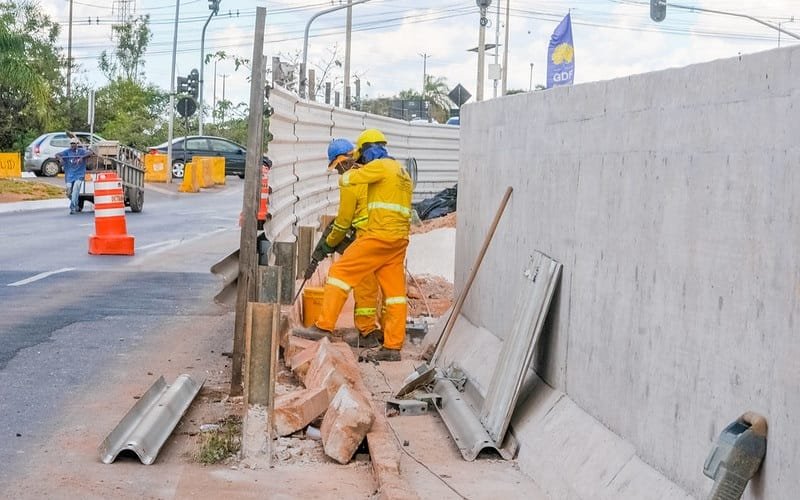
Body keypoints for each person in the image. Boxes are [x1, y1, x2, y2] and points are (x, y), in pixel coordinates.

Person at [294, 129, 413, 362]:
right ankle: (392, 346)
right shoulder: (402, 172)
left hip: (377, 235)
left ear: (366, 151)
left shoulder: (378, 167)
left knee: (340, 273)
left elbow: (348, 180)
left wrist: (353, 166)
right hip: (399, 240)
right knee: (395, 294)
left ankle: (324, 326)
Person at [299, 138, 383, 348]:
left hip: (366, 236)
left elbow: (344, 221)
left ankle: (324, 326)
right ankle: (373, 332)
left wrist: (329, 243)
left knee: (339, 276)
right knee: (371, 283)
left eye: (338, 167)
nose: (338, 172)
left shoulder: (351, 179)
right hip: (385, 233)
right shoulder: (371, 172)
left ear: (344, 161)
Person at [55, 137, 92, 214]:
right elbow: (57, 154)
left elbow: (90, 153)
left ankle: (72, 207)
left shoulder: (81, 151)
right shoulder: (67, 152)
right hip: (70, 175)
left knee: (75, 190)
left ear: (77, 144)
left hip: (79, 174)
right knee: (69, 193)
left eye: (74, 144)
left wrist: (82, 157)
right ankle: (76, 204)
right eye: (71, 144)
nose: (72, 145)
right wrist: (61, 159)